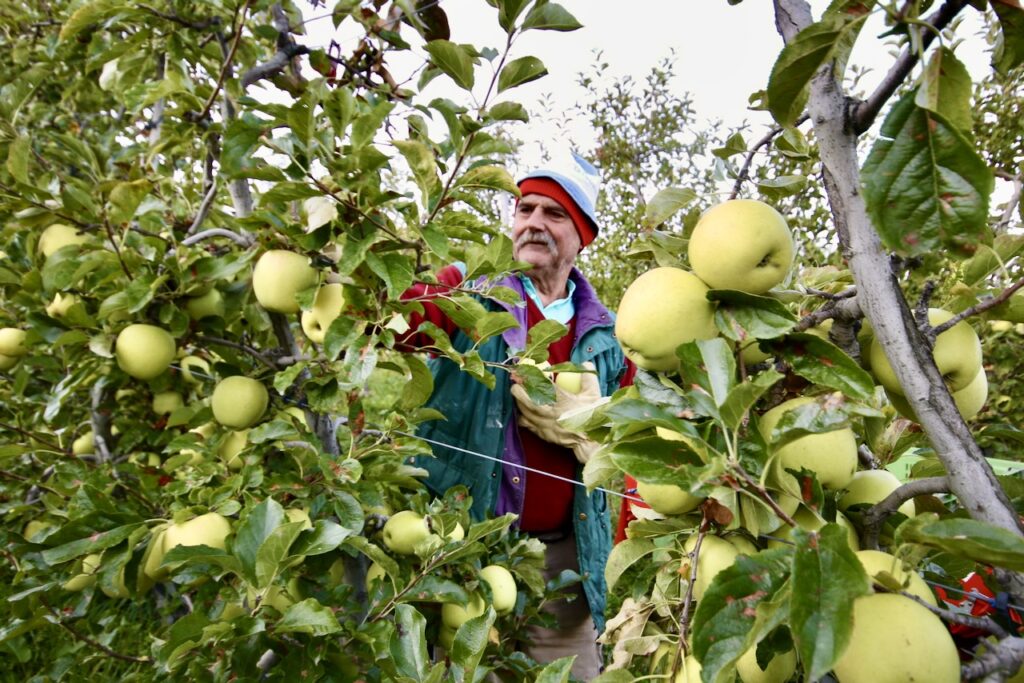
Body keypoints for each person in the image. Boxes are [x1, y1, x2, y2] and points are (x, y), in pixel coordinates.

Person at [399, 152, 634, 679]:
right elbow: (399, 323)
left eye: (554, 214)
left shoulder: (611, 335)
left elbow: (642, 438)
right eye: (525, 208)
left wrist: (597, 431)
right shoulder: (469, 290)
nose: (533, 222)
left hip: (568, 563)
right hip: (467, 549)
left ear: (582, 236)